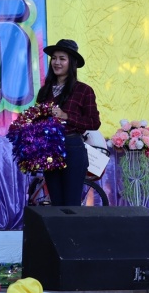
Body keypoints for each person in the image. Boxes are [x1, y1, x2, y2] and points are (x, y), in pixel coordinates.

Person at [36, 39, 101, 206]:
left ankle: (73, 225)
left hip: (72, 147)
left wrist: (66, 116)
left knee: (71, 203)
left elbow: (94, 122)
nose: (57, 62)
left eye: (62, 58)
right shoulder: (44, 90)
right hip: (49, 149)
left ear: (72, 63)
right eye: (54, 58)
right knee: (56, 202)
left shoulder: (84, 90)